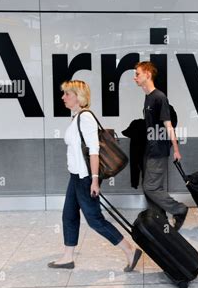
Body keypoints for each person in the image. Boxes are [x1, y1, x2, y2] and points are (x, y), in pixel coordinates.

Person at [48, 80, 142, 271]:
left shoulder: (86, 117)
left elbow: (94, 151)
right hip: (75, 177)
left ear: (78, 96)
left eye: (67, 94)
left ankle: (130, 250)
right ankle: (68, 256)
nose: (63, 97)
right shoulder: (76, 117)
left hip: (85, 178)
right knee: (69, 215)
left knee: (94, 219)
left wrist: (94, 180)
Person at [133, 62, 188, 230]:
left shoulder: (159, 97)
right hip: (149, 149)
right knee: (149, 187)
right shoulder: (148, 97)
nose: (135, 77)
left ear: (148, 74)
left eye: (138, 74)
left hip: (158, 150)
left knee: (151, 187)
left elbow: (168, 125)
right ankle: (159, 220)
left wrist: (176, 149)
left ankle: (179, 209)